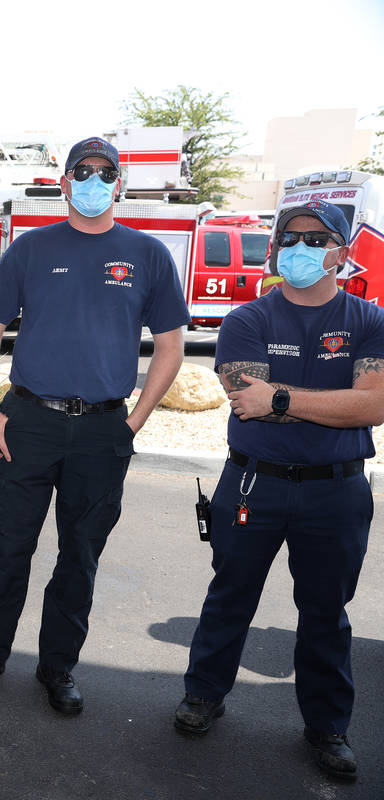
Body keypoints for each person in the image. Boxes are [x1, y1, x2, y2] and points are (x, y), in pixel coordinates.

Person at [0, 137, 188, 714]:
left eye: (103, 172)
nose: (92, 181)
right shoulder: (30, 249)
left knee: (79, 556)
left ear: (119, 184)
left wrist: (132, 422)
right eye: (81, 172)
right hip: (29, 421)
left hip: (103, 431)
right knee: (7, 548)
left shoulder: (149, 254)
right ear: (63, 183)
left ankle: (58, 669)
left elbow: (170, 346)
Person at [174, 200, 383, 782]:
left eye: (318, 240)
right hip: (251, 485)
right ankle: (203, 696)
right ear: (275, 247)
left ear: (343, 254)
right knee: (230, 596)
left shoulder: (369, 321)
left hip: (336, 493)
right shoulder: (247, 320)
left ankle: (327, 726)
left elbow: (375, 405)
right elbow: (248, 402)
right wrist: (335, 405)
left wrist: (286, 399)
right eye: (291, 237)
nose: (302, 248)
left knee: (324, 614)